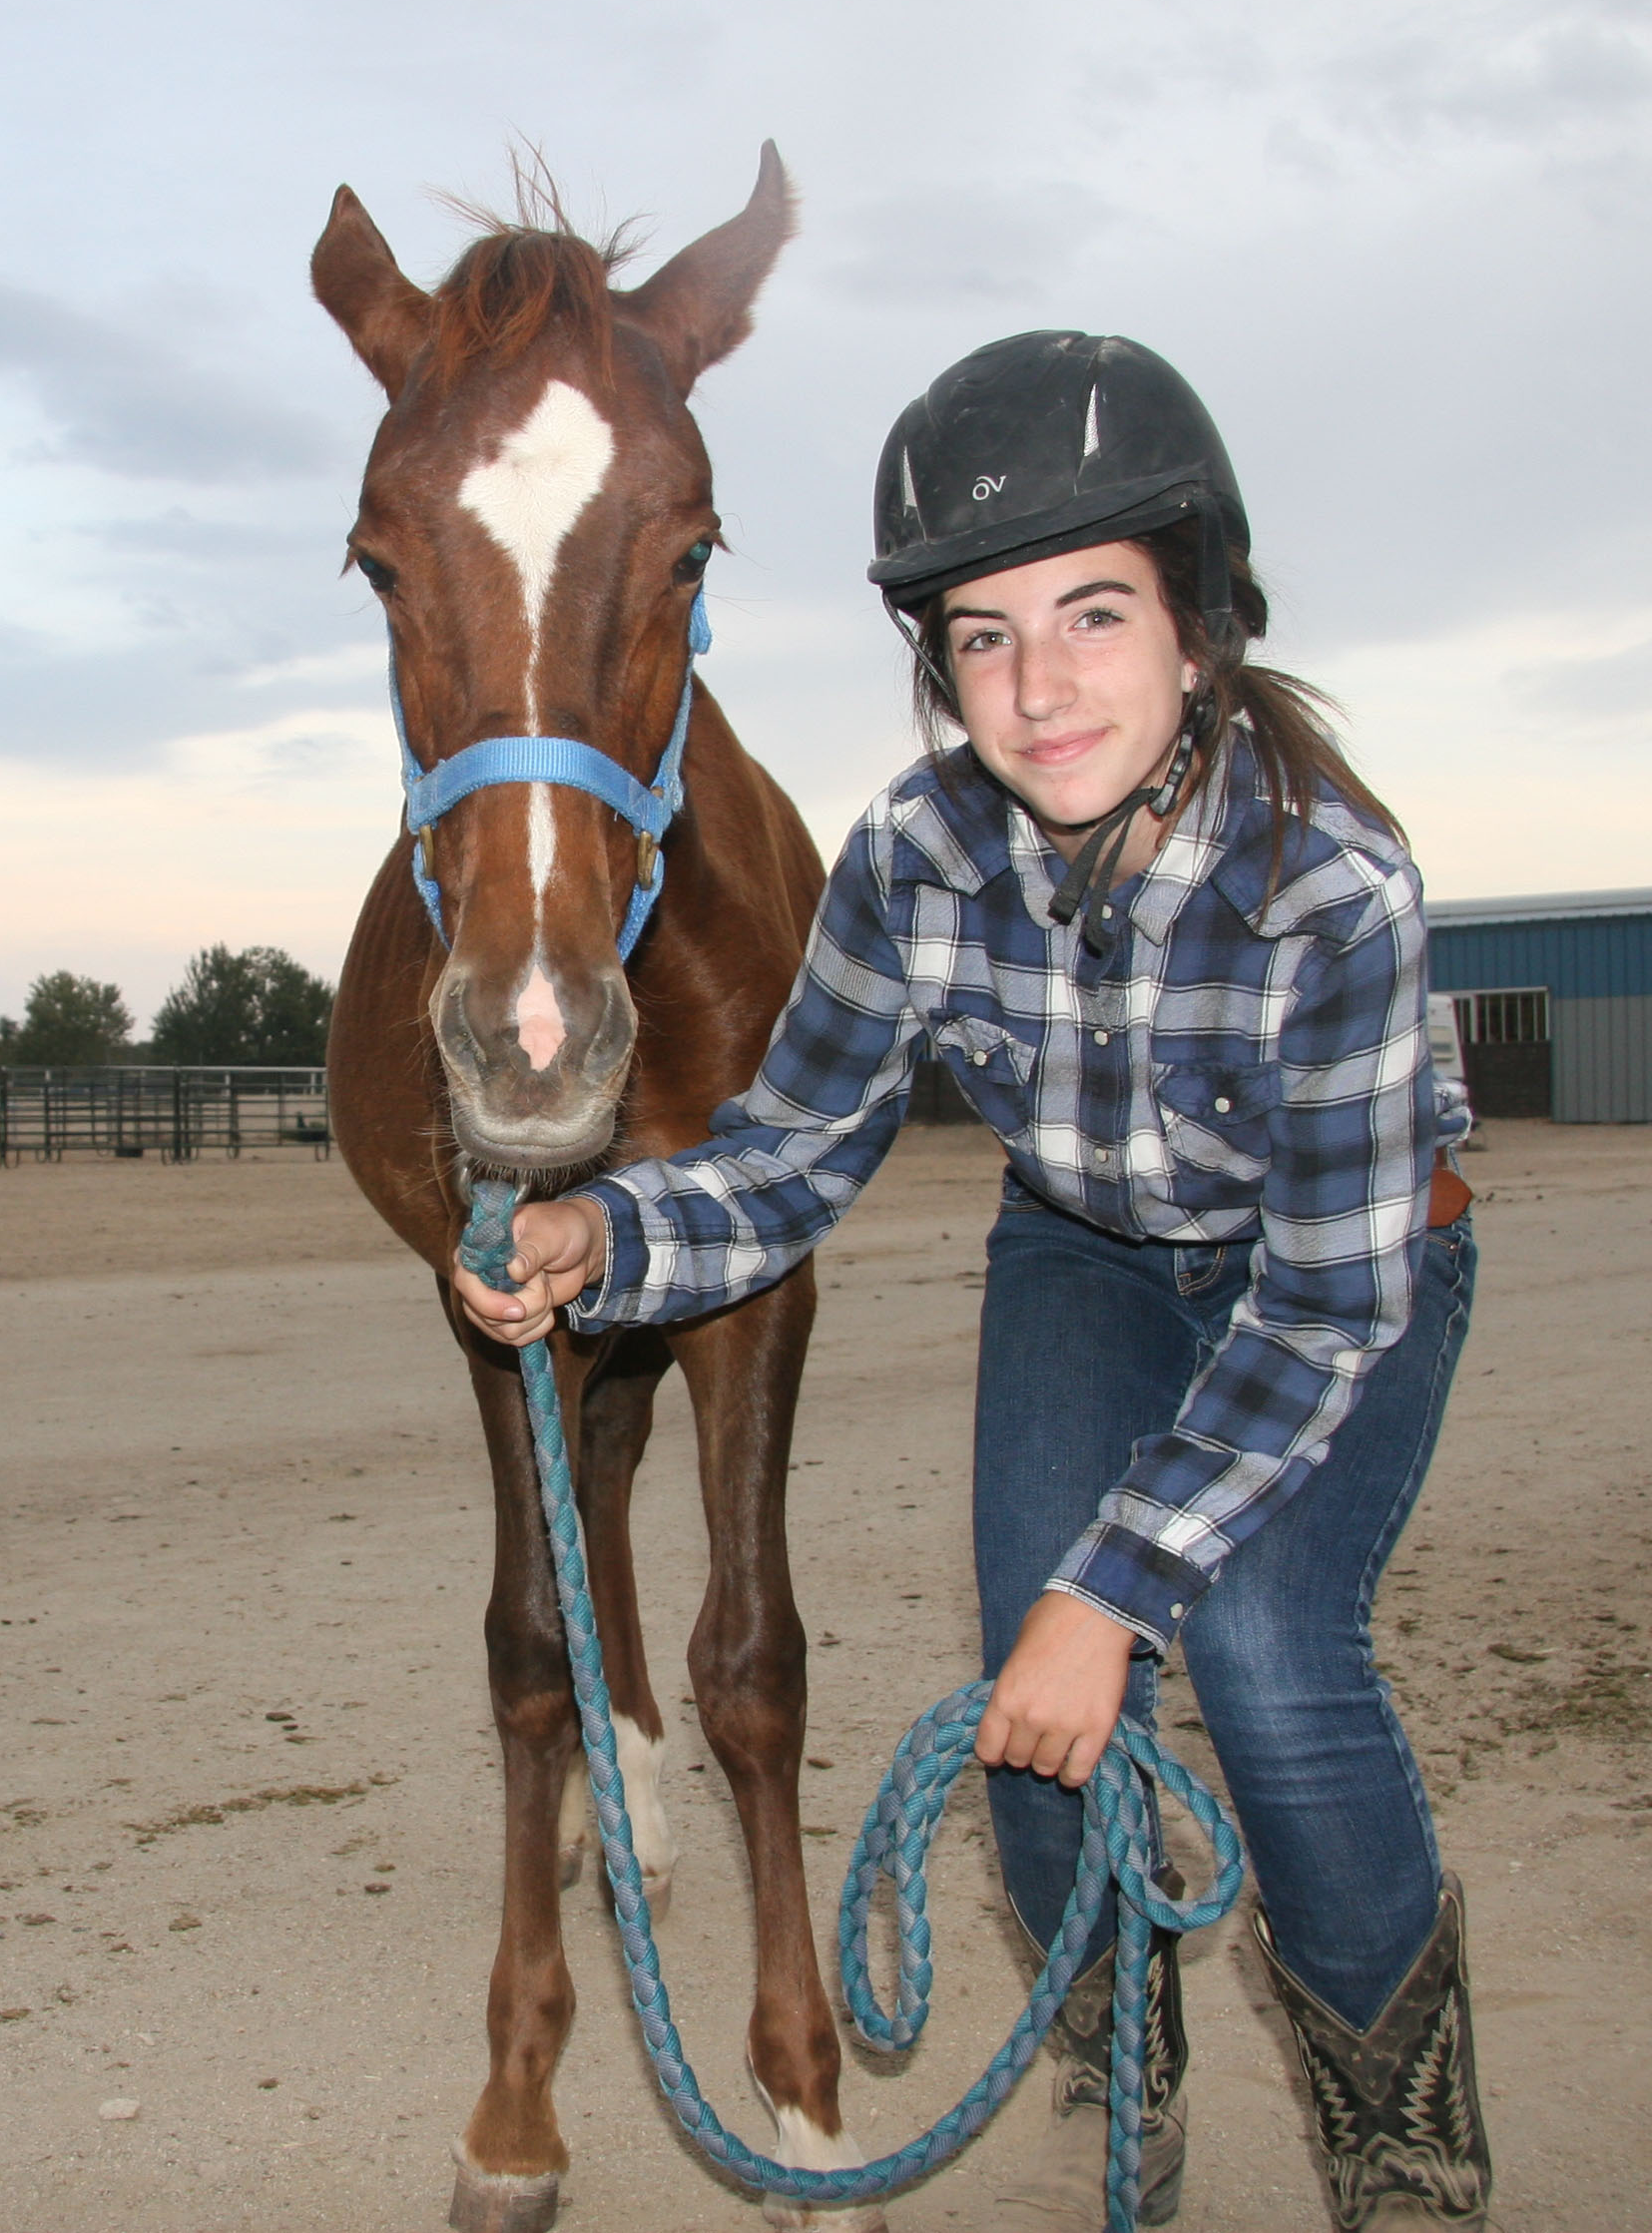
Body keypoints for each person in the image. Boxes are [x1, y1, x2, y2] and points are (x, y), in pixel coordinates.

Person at [454, 332, 1489, 2232]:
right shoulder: (919, 855)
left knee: (1260, 1653)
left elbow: (1326, 1309)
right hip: (1088, 1249)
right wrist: (613, 1238)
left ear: (1202, 621)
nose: (1041, 683)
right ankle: (1119, 2053)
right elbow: (793, 1152)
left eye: (1095, 612)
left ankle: (1404, 2144)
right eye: (983, 636)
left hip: (1339, 1274)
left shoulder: (1333, 887)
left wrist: (1124, 1586)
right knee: (1032, 1658)